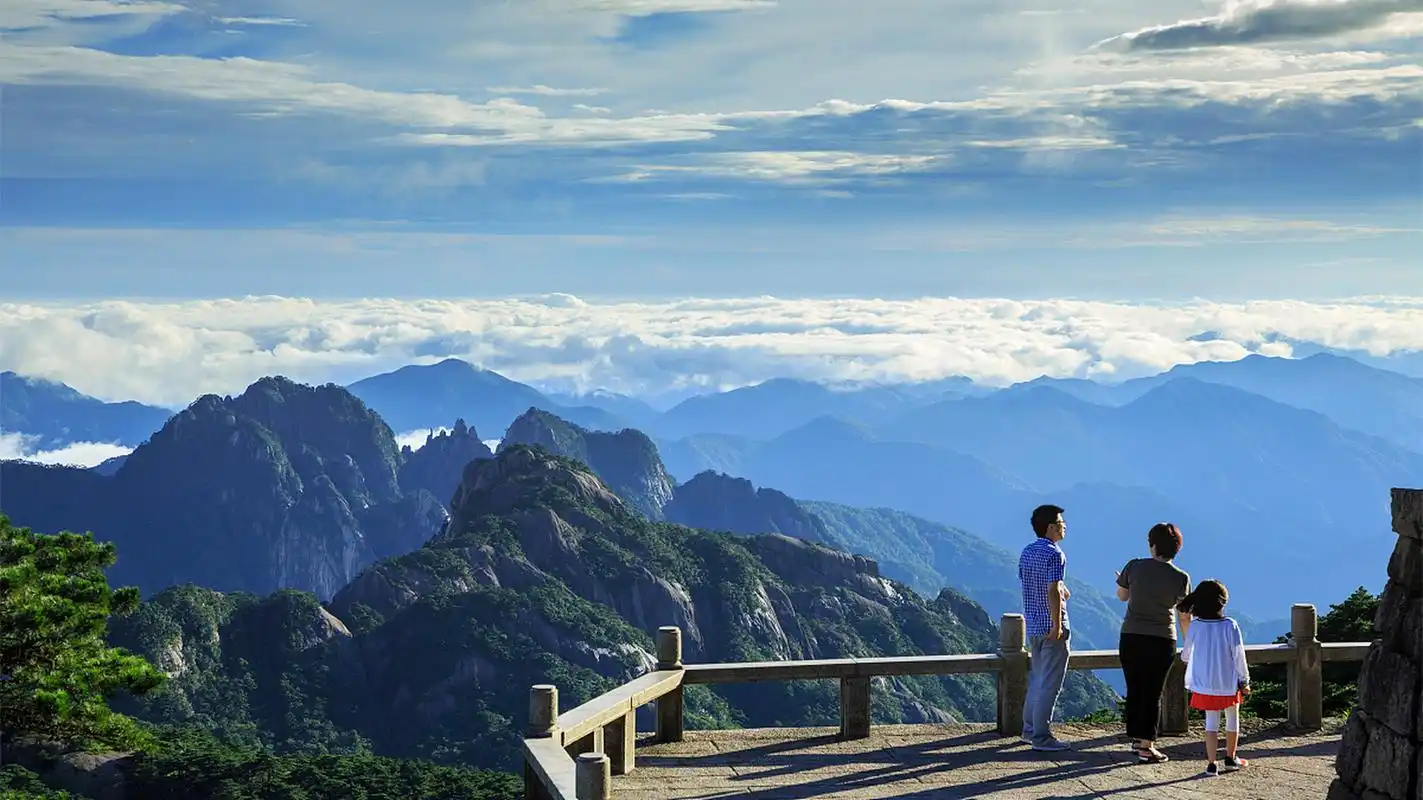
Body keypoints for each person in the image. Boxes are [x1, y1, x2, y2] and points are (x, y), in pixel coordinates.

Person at [1114, 522, 1191, 764]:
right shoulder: (1180, 577)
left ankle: (1138, 740)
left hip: (1131, 635)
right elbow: (1183, 614)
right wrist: (1189, 642)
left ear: (1153, 545)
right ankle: (1146, 744)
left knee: (1135, 688)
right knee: (1153, 691)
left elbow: (1122, 596)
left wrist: (1124, 582)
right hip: (1162, 639)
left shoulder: (1134, 566)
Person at [1179, 579, 1251, 776]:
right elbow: (1239, 656)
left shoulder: (1196, 626)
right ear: (1222, 602)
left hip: (1204, 684)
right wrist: (1244, 680)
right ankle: (1231, 757)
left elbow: (1186, 655)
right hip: (1228, 683)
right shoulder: (1230, 625)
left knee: (1211, 723)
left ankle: (1211, 764)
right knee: (1232, 719)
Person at [1017, 503, 1072, 752]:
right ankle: (1041, 737)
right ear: (1051, 527)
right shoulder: (1055, 554)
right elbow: (1051, 589)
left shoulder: (1027, 552)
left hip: (1033, 625)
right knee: (1051, 683)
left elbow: (1035, 584)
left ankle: (1028, 730)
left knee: (1038, 679)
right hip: (1051, 626)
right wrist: (1057, 625)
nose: (1064, 526)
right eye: (1061, 522)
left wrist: (1062, 590)